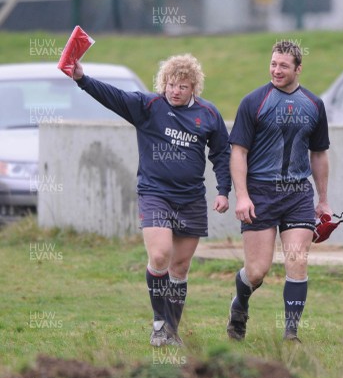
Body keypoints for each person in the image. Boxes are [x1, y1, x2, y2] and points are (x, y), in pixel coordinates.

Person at [71, 54, 231, 346]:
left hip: (191, 199)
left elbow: (221, 153)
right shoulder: (148, 107)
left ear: (193, 87)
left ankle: (171, 331)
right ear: (164, 83)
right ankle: (159, 324)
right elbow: (113, 97)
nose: (175, 91)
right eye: (170, 84)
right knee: (160, 257)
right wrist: (82, 79)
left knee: (180, 268)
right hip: (155, 193)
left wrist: (223, 190)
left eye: (182, 86)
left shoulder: (209, 114)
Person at [226, 40, 331, 342]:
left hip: (298, 193)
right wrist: (242, 195)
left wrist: (322, 200)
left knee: (297, 259)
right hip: (260, 192)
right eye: (273, 64)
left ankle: (291, 333)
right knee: (257, 271)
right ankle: (240, 303)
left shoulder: (313, 105)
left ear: (298, 68)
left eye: (284, 65)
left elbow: (319, 154)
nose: (276, 70)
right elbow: (238, 152)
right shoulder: (253, 102)